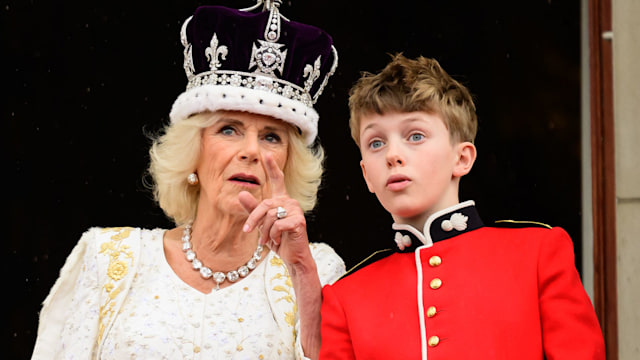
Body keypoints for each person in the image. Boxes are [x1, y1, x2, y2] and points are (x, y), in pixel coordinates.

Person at [31, 2, 345, 359]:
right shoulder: (108, 259)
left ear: (289, 163)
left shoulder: (316, 267)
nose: (252, 151)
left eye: (272, 137)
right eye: (229, 129)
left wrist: (300, 270)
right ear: (193, 150)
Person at [318, 54, 605, 359]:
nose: (392, 154)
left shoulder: (537, 253)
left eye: (415, 136)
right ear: (366, 175)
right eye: (376, 143)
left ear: (462, 158)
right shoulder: (346, 297)